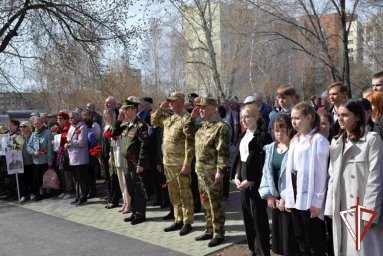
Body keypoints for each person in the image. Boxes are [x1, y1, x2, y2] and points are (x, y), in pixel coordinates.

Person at [325, 99, 383, 255]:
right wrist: (330, 206)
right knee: (344, 249)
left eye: (345, 115)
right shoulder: (336, 142)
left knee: (365, 249)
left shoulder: (372, 140)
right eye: (338, 115)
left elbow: (375, 177)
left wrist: (369, 212)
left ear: (357, 117)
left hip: (361, 206)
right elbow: (332, 176)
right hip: (342, 206)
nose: (340, 119)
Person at [284, 102, 329, 255]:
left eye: (297, 118)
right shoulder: (295, 139)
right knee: (300, 237)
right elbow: (289, 170)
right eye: (292, 118)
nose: (294, 122)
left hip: (310, 193)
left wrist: (317, 201)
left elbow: (322, 174)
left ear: (309, 117)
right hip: (295, 190)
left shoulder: (318, 141)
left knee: (314, 240)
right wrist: (288, 197)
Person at [151, 92, 195, 236]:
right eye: (168, 101)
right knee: (173, 193)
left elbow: (190, 144)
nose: (169, 103)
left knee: (184, 193)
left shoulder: (186, 119)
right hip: (168, 163)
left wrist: (187, 164)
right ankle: (178, 219)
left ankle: (187, 222)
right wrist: (161, 109)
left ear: (181, 102)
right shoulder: (170, 117)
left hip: (180, 164)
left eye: (172, 101)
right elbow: (154, 121)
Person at [232, 104, 273, 255]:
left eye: (247, 116)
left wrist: (252, 180)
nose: (243, 120)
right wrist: (236, 175)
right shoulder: (243, 136)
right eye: (242, 117)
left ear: (256, 117)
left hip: (257, 181)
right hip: (242, 178)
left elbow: (265, 164)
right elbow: (239, 159)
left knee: (259, 218)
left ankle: (263, 251)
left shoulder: (263, 136)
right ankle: (253, 249)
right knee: (247, 215)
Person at [191, 97, 230, 247]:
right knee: (205, 203)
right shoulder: (201, 126)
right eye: (199, 107)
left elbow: (223, 152)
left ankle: (219, 233)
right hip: (200, 171)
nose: (200, 110)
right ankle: (209, 230)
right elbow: (186, 131)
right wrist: (193, 117)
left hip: (213, 173)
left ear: (214, 109)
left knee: (216, 204)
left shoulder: (221, 127)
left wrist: (221, 170)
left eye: (204, 107)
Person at [259, 115, 298, 256]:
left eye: (283, 131)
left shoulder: (295, 148)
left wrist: (285, 198)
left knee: (291, 239)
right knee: (279, 239)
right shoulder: (270, 148)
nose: (279, 134)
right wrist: (268, 195)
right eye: (276, 131)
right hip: (275, 200)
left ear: (290, 130)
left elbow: (295, 177)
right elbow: (266, 173)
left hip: (289, 201)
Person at [113, 97, 149, 225]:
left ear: (134, 109)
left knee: (138, 189)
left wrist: (141, 164)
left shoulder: (141, 126)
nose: (125, 112)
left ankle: (140, 214)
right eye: (124, 110)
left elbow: (144, 147)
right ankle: (134, 212)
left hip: (135, 163)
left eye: (127, 109)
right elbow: (114, 133)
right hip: (127, 163)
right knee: (131, 188)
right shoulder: (126, 126)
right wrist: (118, 120)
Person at [110, 105, 132, 214]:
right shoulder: (119, 125)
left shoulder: (129, 125)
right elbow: (113, 133)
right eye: (120, 113)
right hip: (117, 155)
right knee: (121, 181)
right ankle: (124, 200)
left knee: (126, 180)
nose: (121, 115)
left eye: (123, 113)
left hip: (125, 156)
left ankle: (129, 202)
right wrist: (118, 120)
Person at [64, 111, 89, 207]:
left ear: (77, 117)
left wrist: (70, 143)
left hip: (80, 158)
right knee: (76, 179)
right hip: (72, 157)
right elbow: (68, 139)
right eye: (69, 118)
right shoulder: (71, 127)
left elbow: (82, 142)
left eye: (72, 117)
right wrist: (67, 144)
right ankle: (78, 196)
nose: (70, 119)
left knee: (81, 178)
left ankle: (83, 198)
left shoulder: (82, 127)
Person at [27, 117, 54, 201]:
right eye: (34, 124)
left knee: (46, 177)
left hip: (45, 160)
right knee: (38, 178)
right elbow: (29, 146)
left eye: (38, 123)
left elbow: (50, 148)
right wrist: (33, 152)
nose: (36, 125)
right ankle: (41, 193)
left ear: (42, 123)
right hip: (36, 160)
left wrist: (50, 160)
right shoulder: (33, 134)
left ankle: (48, 192)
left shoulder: (47, 133)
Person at [101, 108, 122, 209]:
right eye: (104, 114)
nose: (105, 116)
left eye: (107, 114)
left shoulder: (113, 127)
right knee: (107, 178)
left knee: (113, 178)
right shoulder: (105, 127)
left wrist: (111, 155)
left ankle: (114, 200)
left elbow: (113, 143)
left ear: (112, 115)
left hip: (111, 155)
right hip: (104, 155)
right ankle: (110, 199)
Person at [55, 111, 75, 200]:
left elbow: (69, 139)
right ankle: (65, 190)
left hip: (67, 153)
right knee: (62, 172)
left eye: (61, 118)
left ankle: (70, 191)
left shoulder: (69, 127)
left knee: (67, 173)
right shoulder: (58, 128)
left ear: (66, 119)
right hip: (60, 152)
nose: (59, 120)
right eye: (58, 118)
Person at [19, 121, 33, 203]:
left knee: (30, 178)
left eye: (24, 126)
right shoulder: (19, 137)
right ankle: (24, 195)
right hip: (20, 162)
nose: (22, 128)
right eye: (21, 127)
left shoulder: (32, 136)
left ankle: (32, 193)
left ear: (28, 128)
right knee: (22, 179)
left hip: (30, 161)